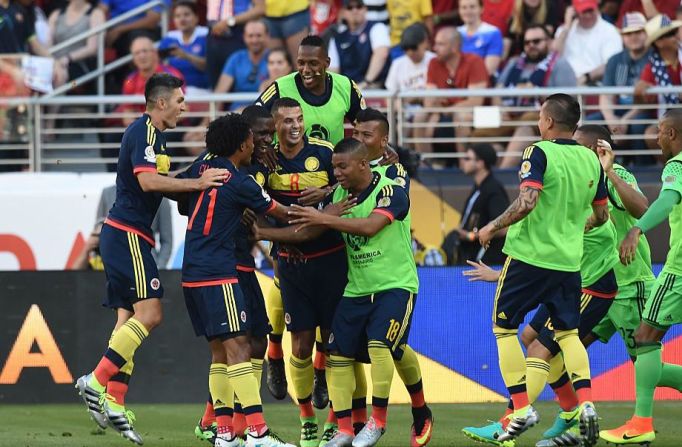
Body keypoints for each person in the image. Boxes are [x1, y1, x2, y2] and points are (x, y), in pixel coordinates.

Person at [74, 74, 228, 445]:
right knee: (151, 314)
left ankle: (115, 399)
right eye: (179, 100)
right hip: (128, 234)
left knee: (127, 320)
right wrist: (198, 185)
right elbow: (148, 182)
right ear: (161, 103)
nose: (184, 106)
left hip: (123, 233)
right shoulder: (144, 132)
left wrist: (191, 175)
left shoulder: (153, 136)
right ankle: (95, 381)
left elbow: (157, 177)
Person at [476, 93, 609, 444]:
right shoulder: (591, 160)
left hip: (529, 258)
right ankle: (587, 404)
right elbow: (601, 215)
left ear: (548, 121)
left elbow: (528, 201)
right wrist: (577, 227)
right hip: (568, 263)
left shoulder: (538, 151)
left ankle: (521, 408)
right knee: (567, 335)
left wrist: (492, 226)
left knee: (504, 329)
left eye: (539, 117)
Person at [283, 138, 418, 447]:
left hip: (394, 284)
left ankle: (378, 421)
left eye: (342, 166)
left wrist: (322, 217)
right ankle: (344, 429)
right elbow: (313, 225)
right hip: (356, 288)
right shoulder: (341, 194)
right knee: (338, 354)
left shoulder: (390, 189)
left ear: (361, 164)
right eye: (333, 167)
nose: (337, 173)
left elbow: (371, 227)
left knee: (379, 346)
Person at [179, 113, 295, 447]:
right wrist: (323, 208)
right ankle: (257, 433)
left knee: (220, 352)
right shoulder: (240, 181)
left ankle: (225, 433)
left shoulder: (202, 169)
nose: (256, 143)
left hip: (193, 272)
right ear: (242, 144)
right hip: (218, 271)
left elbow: (180, 192)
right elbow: (281, 212)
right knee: (240, 347)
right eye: (252, 138)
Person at [251, 97, 347, 447]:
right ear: (275, 126)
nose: (295, 125)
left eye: (299, 118)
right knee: (302, 346)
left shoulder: (323, 152)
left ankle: (336, 418)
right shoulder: (267, 159)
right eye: (287, 120)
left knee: (336, 345)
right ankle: (306, 416)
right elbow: (253, 192)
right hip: (292, 263)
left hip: (332, 258)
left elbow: (351, 179)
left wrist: (327, 189)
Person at [600, 109, 682, 445]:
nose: (656, 137)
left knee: (646, 337)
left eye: (660, 131)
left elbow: (666, 200)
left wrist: (636, 229)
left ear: (673, 134)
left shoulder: (676, 166)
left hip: (678, 271)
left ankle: (641, 422)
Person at [492, 23, 577, 168]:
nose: (531, 45)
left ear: (549, 42)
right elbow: (497, 91)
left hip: (541, 118)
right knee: (479, 132)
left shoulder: (560, 64)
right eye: (527, 42)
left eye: (536, 41)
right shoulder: (513, 63)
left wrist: (537, 93)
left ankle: (502, 174)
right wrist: (500, 108)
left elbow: (568, 101)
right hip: (508, 116)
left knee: (524, 128)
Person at [256, 35, 366, 146]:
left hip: (332, 162)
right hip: (286, 163)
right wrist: (265, 147)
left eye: (313, 63)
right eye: (301, 63)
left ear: (327, 63)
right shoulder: (280, 87)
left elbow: (367, 126)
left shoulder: (346, 86)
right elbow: (253, 118)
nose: (306, 70)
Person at [414, 26, 488, 156]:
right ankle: (425, 164)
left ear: (455, 47)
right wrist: (439, 112)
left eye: (440, 44)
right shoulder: (434, 63)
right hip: (446, 112)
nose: (434, 48)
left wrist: (445, 110)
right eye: (435, 43)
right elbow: (429, 101)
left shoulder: (474, 61)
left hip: (481, 114)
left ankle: (463, 165)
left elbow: (476, 101)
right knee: (419, 116)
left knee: (460, 116)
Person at [596, 12, 651, 153]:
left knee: (639, 125)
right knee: (592, 124)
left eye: (638, 32)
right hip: (619, 111)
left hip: (645, 110)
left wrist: (625, 119)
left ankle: (643, 168)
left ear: (646, 33)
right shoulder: (615, 59)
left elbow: (649, 100)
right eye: (628, 33)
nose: (633, 37)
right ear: (622, 37)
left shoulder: (654, 56)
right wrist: (611, 120)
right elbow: (605, 96)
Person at [450, 143, 509, 265]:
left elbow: (503, 227)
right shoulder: (478, 188)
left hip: (486, 262)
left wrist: (471, 235)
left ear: (480, 163)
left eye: (467, 159)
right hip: (470, 256)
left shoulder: (493, 189)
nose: (463, 162)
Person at [635, 14, 682, 154]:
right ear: (659, 42)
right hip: (668, 119)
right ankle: (671, 170)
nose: (676, 36)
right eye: (670, 34)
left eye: (674, 32)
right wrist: (639, 92)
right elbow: (641, 105)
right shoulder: (651, 67)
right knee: (651, 135)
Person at [96, 184, 173, 268]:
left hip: (146, 262)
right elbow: (98, 231)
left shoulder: (160, 197)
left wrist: (159, 267)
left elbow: (167, 240)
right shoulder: (107, 193)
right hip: (113, 262)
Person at [553, 0, 622, 85]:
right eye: (584, 11)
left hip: (595, 83)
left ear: (597, 8)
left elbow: (611, 64)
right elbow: (553, 57)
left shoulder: (609, 31)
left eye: (590, 10)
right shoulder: (563, 31)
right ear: (575, 12)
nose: (588, 15)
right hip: (564, 83)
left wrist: (586, 77)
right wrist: (567, 27)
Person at [328, 0, 391, 88]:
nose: (355, 10)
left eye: (359, 6)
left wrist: (366, 82)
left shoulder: (377, 27)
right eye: (350, 8)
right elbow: (333, 71)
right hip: (348, 91)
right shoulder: (337, 39)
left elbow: (381, 54)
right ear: (343, 13)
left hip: (376, 89)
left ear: (365, 9)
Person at [205, 0, 264, 89]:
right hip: (213, 32)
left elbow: (260, 9)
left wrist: (229, 21)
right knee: (214, 83)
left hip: (236, 30)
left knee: (235, 81)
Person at [48, 0, 105, 92]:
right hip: (55, 63)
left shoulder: (96, 14)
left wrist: (67, 58)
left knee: (64, 78)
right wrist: (55, 62)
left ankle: (56, 105)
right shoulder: (56, 14)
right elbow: (47, 44)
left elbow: (92, 48)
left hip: (79, 71)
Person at [215, 20, 270, 111]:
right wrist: (206, 123)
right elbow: (220, 92)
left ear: (267, 36)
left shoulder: (276, 59)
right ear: (244, 37)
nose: (254, 40)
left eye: (259, 36)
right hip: (236, 113)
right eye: (250, 36)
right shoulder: (236, 58)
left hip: (265, 111)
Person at [158, 1, 209, 92]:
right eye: (177, 16)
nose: (182, 19)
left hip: (201, 91)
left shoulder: (206, 35)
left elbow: (210, 66)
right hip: (172, 91)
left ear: (196, 18)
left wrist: (186, 56)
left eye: (186, 15)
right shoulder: (169, 38)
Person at [457, 0, 504, 76]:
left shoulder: (493, 32)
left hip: (484, 83)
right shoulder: (456, 33)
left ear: (481, 9)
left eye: (472, 7)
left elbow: (490, 69)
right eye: (464, 7)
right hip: (458, 82)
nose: (468, 11)